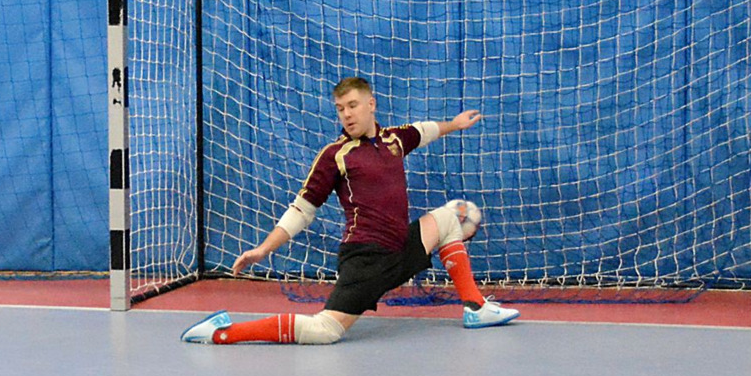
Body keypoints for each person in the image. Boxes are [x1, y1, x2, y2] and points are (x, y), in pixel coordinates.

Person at [181, 76, 518, 345]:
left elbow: (425, 131)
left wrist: (454, 124)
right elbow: (302, 210)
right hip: (366, 259)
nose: (347, 114)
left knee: (450, 216)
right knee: (325, 331)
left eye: (353, 105)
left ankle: (475, 307)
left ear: (371, 105)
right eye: (340, 109)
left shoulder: (394, 140)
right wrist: (264, 249)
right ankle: (221, 332)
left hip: (400, 247)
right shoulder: (336, 155)